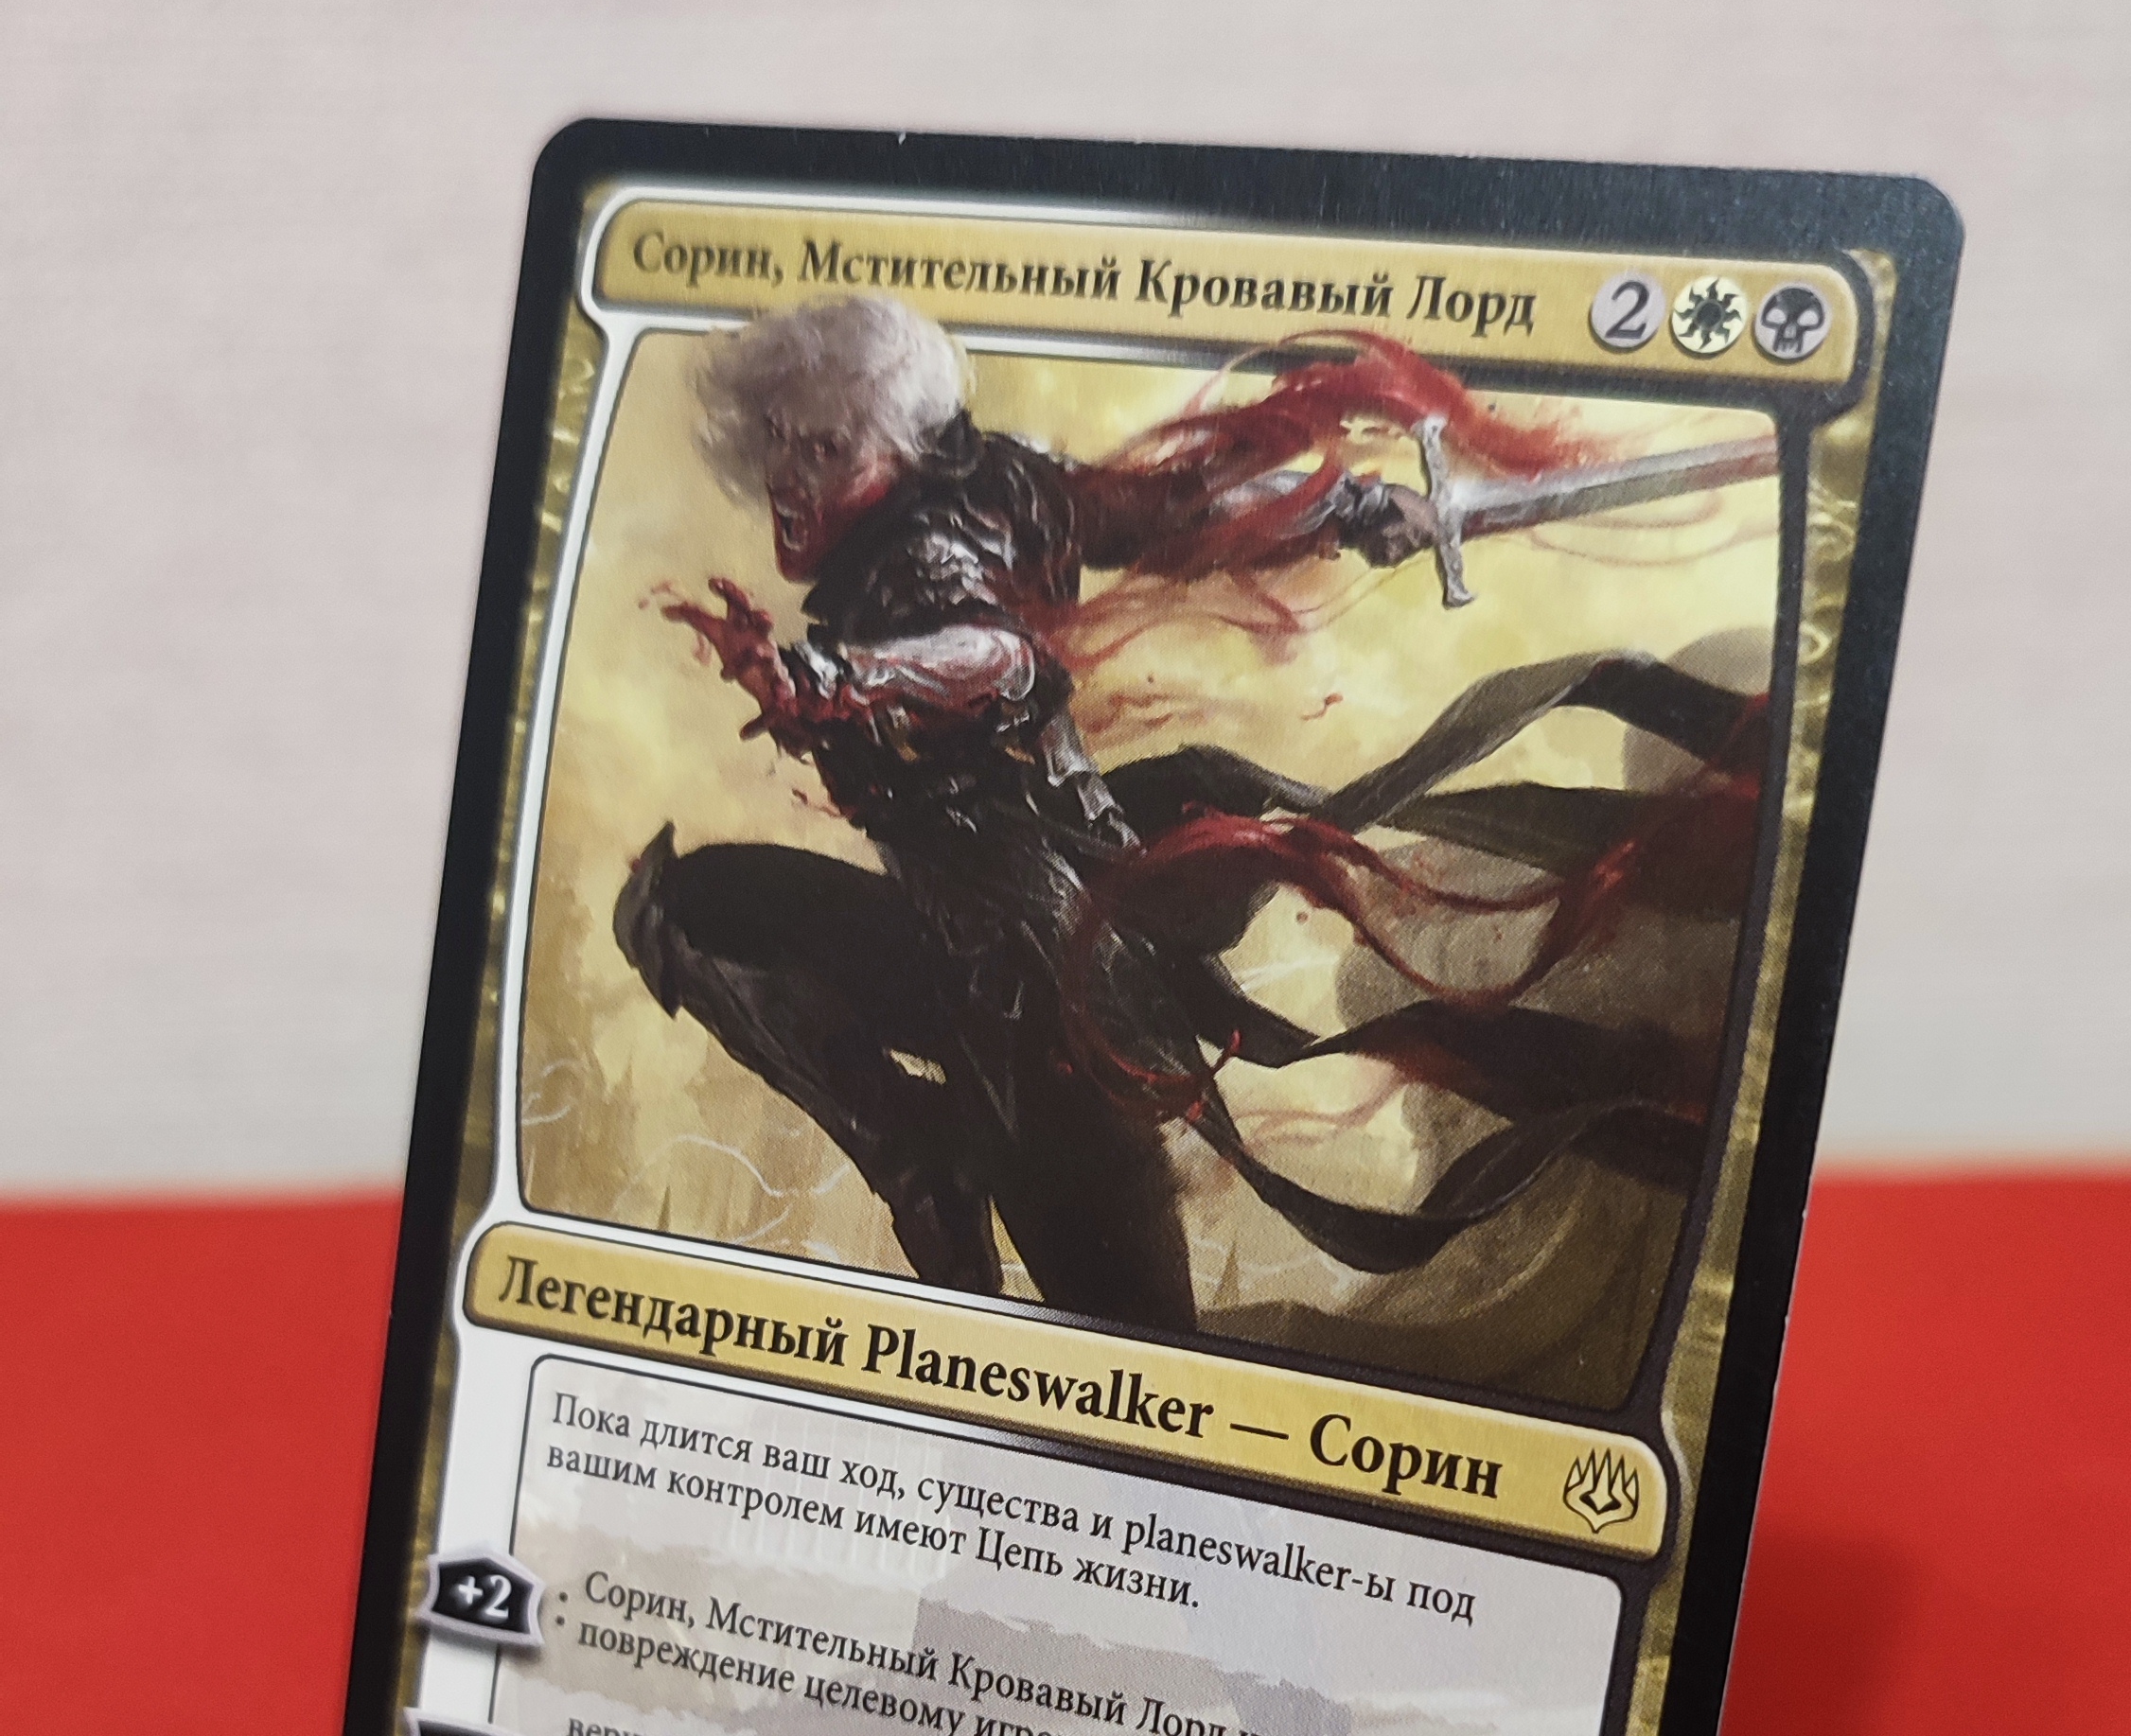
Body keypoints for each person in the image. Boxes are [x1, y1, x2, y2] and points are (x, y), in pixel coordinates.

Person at [615, 294, 1763, 1343]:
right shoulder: (1001, 485)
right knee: (683, 905)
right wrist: (1347, 507)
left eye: (823, 448)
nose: (789, 475)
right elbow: (1167, 512)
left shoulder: (919, 561)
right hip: (951, 947)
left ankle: (952, 1164)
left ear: (897, 443)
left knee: (1127, 1341)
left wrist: (846, 680)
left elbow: (993, 657)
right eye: (778, 440)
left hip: (1046, 988)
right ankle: (915, 1151)